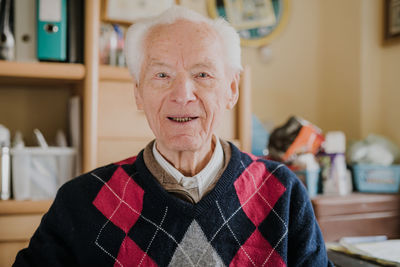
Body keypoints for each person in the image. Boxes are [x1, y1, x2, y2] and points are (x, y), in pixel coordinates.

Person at [14, 6, 332, 267]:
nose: (183, 95)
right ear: (138, 93)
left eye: (202, 74)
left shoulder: (282, 191)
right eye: (162, 75)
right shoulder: (82, 202)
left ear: (231, 89)